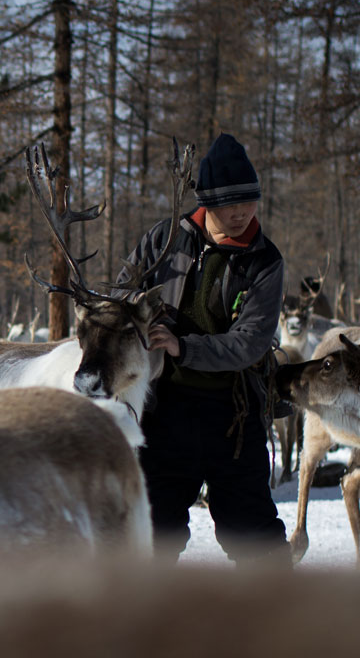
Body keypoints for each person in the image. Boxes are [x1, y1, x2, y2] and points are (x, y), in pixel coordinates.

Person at [120, 133, 286, 564]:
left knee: (256, 538)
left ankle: (279, 627)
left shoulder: (264, 261)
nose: (240, 212)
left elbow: (250, 342)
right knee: (149, 534)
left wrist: (183, 346)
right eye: (230, 203)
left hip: (234, 415)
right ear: (207, 202)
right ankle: (146, 625)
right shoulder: (165, 240)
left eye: (248, 201)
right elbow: (122, 299)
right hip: (165, 411)